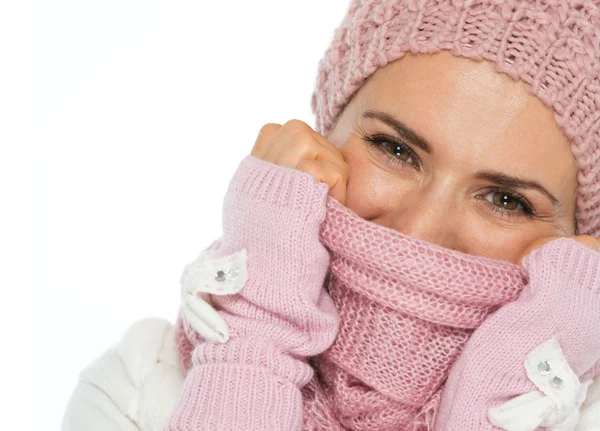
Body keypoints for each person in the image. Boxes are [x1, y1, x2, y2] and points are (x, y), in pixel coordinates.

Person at [62, 0, 600, 430]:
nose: (419, 232)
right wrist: (255, 334)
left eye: (507, 200)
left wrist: (503, 400)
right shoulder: (136, 387)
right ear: (321, 137)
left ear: (581, 241)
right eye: (395, 150)